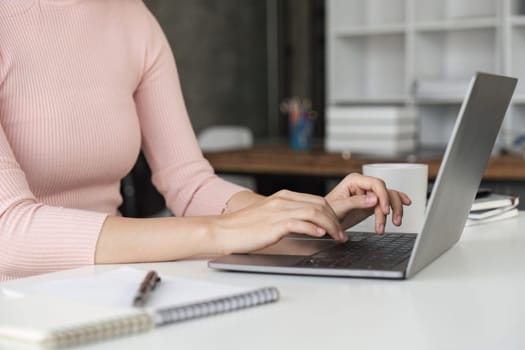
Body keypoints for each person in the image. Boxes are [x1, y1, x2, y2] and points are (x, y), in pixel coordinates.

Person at [0, 0, 410, 281]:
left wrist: (302, 218)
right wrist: (222, 231)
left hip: (111, 286)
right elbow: (9, 232)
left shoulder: (132, 17)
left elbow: (189, 182)